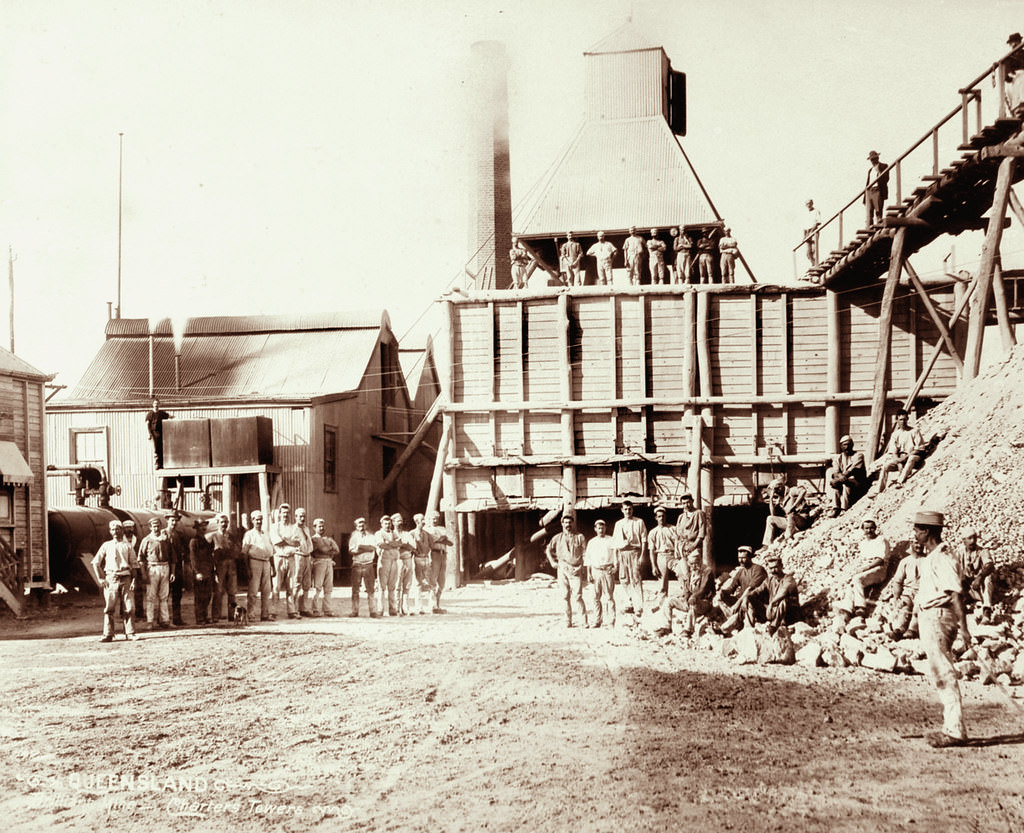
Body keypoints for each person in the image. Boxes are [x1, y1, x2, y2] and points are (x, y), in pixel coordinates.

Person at [912, 509, 971, 748]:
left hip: (939, 617)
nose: (914, 534)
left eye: (917, 530)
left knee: (944, 673)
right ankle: (952, 727)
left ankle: (955, 731)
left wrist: (965, 629)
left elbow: (956, 594)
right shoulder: (931, 557)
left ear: (926, 531)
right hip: (930, 616)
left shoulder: (943, 557)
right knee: (939, 673)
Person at [93, 520, 141, 642]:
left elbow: (134, 565)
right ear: (110, 531)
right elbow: (95, 562)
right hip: (111, 579)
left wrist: (134, 580)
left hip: (126, 578)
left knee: (129, 607)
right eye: (113, 529)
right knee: (110, 607)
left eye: (117, 529)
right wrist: (101, 578)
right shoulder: (106, 545)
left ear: (122, 530)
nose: (115, 531)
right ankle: (108, 634)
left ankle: (130, 633)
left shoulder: (127, 546)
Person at [838, 517, 891, 620]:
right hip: (867, 568)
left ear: (875, 528)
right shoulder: (863, 544)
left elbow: (880, 560)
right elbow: (862, 561)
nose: (869, 531)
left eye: (871, 528)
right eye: (866, 528)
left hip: (879, 569)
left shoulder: (881, 540)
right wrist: (858, 570)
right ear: (862, 529)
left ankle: (861, 607)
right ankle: (848, 609)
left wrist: (865, 568)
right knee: (852, 583)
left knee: (857, 579)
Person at [661, 547, 715, 638]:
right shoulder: (691, 572)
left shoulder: (707, 571)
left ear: (700, 561)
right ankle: (667, 627)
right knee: (668, 601)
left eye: (696, 564)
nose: (693, 566)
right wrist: (685, 596)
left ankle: (688, 629)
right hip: (690, 602)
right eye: (691, 564)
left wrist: (694, 596)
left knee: (693, 603)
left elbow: (703, 589)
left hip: (704, 603)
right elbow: (687, 588)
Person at [546, 514, 588, 628]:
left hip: (576, 569)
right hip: (562, 568)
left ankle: (583, 621)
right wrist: (552, 562)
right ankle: (567, 621)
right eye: (566, 522)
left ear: (572, 524)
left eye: (570, 522)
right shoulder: (557, 538)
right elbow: (548, 549)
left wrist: (581, 567)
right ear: (562, 524)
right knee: (565, 596)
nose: (568, 525)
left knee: (578, 596)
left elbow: (585, 554)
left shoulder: (580, 537)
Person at [715, 545, 768, 634]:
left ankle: (743, 628)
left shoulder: (758, 569)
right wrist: (722, 592)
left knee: (748, 599)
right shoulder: (741, 572)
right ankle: (736, 620)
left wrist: (737, 603)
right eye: (739, 558)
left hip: (759, 605)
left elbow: (750, 589)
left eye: (743, 558)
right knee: (721, 596)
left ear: (750, 557)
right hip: (743, 603)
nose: (741, 560)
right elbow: (731, 588)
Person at [878, 541, 924, 639]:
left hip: (923, 591)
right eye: (916, 543)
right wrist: (896, 597)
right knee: (904, 608)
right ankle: (899, 629)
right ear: (911, 544)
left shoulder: (928, 560)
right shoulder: (905, 561)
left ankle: (913, 629)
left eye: (921, 543)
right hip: (908, 592)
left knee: (917, 608)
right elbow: (898, 581)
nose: (919, 545)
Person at [611, 500, 647, 624]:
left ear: (633, 509)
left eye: (630, 509)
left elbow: (644, 540)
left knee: (635, 579)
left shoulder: (639, 522)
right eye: (625, 509)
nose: (628, 511)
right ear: (622, 510)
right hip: (622, 553)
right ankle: (629, 602)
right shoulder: (618, 524)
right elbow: (615, 543)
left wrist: (642, 556)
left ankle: (639, 607)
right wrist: (616, 559)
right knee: (624, 579)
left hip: (634, 552)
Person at [875, 410, 923, 494]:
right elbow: (893, 452)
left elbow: (919, 448)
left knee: (911, 458)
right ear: (896, 420)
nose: (903, 422)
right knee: (886, 466)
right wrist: (899, 463)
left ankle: (900, 481)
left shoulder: (914, 431)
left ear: (907, 419)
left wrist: (906, 457)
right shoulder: (895, 434)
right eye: (900, 419)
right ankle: (879, 490)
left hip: (913, 457)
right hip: (901, 459)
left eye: (904, 419)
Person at [139, 517, 173, 629]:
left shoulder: (166, 539)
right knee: (151, 596)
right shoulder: (146, 540)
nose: (156, 528)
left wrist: (172, 572)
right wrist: (144, 573)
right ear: (150, 527)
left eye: (158, 525)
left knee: (164, 596)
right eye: (154, 526)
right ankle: (150, 621)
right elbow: (141, 559)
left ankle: (165, 620)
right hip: (152, 568)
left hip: (165, 567)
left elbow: (173, 558)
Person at [242, 509, 276, 621]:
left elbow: (271, 551)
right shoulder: (249, 534)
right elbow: (245, 553)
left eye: (261, 520)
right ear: (252, 520)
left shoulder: (266, 533)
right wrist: (247, 569)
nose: (259, 522)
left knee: (267, 590)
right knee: (253, 590)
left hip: (266, 562)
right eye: (257, 520)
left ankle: (265, 614)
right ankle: (251, 614)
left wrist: (273, 567)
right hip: (254, 562)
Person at [270, 503, 302, 619]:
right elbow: (277, 542)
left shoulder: (294, 527)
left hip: (291, 558)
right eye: (283, 513)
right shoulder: (274, 527)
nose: (285, 515)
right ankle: (273, 612)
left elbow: (298, 543)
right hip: (278, 558)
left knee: (291, 586)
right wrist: (289, 541)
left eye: (287, 513)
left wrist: (285, 540)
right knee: (276, 586)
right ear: (279, 514)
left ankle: (291, 611)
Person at [957, 525, 994, 622]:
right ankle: (961, 607)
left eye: (974, 537)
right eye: (969, 538)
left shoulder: (983, 551)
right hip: (968, 589)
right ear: (964, 541)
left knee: (988, 578)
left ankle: (987, 610)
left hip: (979, 588)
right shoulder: (960, 553)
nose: (973, 541)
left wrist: (980, 577)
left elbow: (989, 565)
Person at [585, 519, 617, 628]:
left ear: (605, 528)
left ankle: (611, 621)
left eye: (602, 528)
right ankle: (597, 620)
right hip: (596, 571)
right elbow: (588, 558)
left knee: (609, 597)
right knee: (595, 597)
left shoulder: (611, 540)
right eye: (598, 528)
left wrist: (615, 567)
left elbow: (616, 555)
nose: (601, 530)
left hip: (607, 570)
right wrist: (588, 573)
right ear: (595, 529)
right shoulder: (592, 542)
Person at [348, 516, 380, 618]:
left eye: (363, 523)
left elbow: (373, 548)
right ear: (356, 526)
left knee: (370, 589)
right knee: (355, 589)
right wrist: (365, 548)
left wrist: (361, 547)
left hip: (368, 564)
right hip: (357, 565)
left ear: (366, 525)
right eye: (359, 524)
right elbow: (351, 551)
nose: (361, 525)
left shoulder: (371, 536)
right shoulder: (354, 537)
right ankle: (355, 611)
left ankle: (373, 611)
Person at [762, 477, 810, 545]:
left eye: (776, 489)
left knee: (791, 515)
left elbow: (803, 491)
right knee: (770, 518)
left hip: (801, 520)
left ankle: (787, 538)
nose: (776, 492)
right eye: (774, 491)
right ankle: (767, 544)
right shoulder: (780, 498)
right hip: (790, 523)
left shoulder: (791, 491)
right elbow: (773, 514)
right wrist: (771, 499)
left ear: (781, 487)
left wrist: (794, 506)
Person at [209, 513, 239, 622]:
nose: (224, 524)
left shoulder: (231, 536)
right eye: (221, 522)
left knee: (232, 591)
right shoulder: (213, 536)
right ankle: (216, 616)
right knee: (218, 591)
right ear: (217, 523)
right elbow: (210, 553)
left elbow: (237, 550)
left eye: (226, 522)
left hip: (231, 565)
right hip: (219, 565)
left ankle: (232, 615)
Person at [828, 434, 868, 516]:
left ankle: (844, 508)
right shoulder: (838, 458)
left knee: (845, 484)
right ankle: (836, 508)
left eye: (849, 444)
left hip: (858, 483)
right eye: (844, 445)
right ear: (841, 446)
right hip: (844, 480)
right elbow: (835, 472)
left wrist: (840, 478)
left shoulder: (858, 455)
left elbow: (852, 470)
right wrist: (839, 478)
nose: (847, 447)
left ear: (852, 445)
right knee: (836, 486)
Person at [648, 506, 678, 612]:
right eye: (659, 516)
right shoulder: (653, 532)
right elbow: (651, 550)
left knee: (683, 575)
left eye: (663, 516)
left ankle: (684, 600)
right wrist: (653, 566)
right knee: (662, 582)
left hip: (673, 555)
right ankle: (661, 605)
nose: (661, 518)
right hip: (660, 556)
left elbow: (679, 544)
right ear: (656, 518)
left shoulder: (673, 529)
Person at [764, 553, 800, 635]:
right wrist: (748, 596)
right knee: (750, 599)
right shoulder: (769, 580)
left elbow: (783, 592)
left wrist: (771, 603)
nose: (773, 570)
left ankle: (774, 626)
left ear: (781, 566)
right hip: (775, 611)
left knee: (782, 600)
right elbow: (758, 591)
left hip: (790, 613)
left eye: (776, 567)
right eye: (771, 568)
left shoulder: (789, 579)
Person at [309, 518, 339, 617]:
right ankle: (315, 609)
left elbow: (336, 550)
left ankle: (327, 609)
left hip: (329, 562)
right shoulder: (313, 539)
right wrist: (328, 549)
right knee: (317, 587)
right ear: (314, 527)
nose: (321, 528)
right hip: (319, 563)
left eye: (323, 526)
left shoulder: (328, 539)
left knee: (328, 587)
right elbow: (320, 550)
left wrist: (326, 550)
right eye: (319, 526)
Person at [189, 518, 216, 625]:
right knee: (199, 596)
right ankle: (199, 618)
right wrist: (197, 572)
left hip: (208, 571)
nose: (203, 528)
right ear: (197, 528)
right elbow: (193, 558)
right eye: (201, 526)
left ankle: (205, 616)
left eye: (205, 526)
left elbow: (210, 555)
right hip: (199, 572)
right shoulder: (194, 541)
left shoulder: (206, 540)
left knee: (207, 595)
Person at [425, 511, 453, 613]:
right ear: (429, 519)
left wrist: (440, 539)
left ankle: (437, 604)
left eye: (437, 518)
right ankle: (432, 605)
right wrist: (441, 539)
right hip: (434, 554)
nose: (435, 520)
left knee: (442, 582)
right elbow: (431, 542)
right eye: (433, 518)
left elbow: (450, 542)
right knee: (433, 579)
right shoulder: (427, 530)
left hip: (443, 554)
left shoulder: (442, 529)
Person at [375, 514, 403, 616]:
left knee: (392, 586)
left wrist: (388, 543)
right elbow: (381, 544)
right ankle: (380, 609)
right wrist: (392, 544)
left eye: (389, 523)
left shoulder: (394, 533)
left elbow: (400, 543)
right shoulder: (379, 533)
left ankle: (392, 609)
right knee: (382, 586)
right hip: (384, 561)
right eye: (385, 523)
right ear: (381, 524)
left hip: (394, 561)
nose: (387, 525)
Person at [165, 513, 189, 626]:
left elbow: (184, 551)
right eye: (172, 521)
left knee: (177, 594)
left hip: (178, 567)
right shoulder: (163, 534)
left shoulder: (180, 535)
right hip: (165, 566)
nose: (174, 523)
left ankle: (176, 618)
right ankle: (164, 619)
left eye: (175, 521)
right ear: (167, 521)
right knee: (164, 594)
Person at [291, 508, 315, 616]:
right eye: (300, 516)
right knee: (297, 582)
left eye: (304, 516)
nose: (302, 518)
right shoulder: (293, 529)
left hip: (307, 557)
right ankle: (294, 609)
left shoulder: (307, 529)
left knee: (307, 584)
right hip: (298, 557)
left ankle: (303, 608)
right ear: (295, 517)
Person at [410, 513, 434, 615]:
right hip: (417, 559)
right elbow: (410, 547)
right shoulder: (411, 534)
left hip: (426, 559)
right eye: (422, 520)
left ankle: (431, 606)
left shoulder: (427, 534)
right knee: (418, 583)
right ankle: (419, 607)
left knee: (430, 583)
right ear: (417, 522)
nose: (424, 522)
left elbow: (431, 545)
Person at [393, 513, 415, 615]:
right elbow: (393, 547)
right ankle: (397, 608)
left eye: (401, 521)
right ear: (393, 523)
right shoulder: (391, 534)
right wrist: (403, 545)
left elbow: (412, 547)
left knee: (407, 585)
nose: (400, 523)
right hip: (397, 560)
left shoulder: (407, 534)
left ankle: (405, 608)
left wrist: (402, 545)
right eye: (398, 521)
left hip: (407, 559)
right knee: (397, 585)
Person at [145, 399, 172, 469]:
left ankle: (162, 464)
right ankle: (157, 463)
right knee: (156, 449)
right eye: (155, 404)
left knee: (162, 448)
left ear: (159, 405)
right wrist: (149, 434)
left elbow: (169, 416)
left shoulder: (161, 413)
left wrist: (175, 417)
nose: (156, 405)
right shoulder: (150, 414)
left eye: (157, 404)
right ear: (153, 405)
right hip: (154, 433)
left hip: (161, 433)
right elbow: (147, 424)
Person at [865, 150, 889, 226]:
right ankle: (869, 227)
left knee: (878, 210)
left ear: (877, 158)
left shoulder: (883, 166)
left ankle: (879, 223)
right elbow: (867, 183)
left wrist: (878, 171)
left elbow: (886, 178)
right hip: (869, 191)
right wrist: (865, 196)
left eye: (874, 159)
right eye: (871, 159)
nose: (873, 161)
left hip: (877, 189)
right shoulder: (870, 170)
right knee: (869, 211)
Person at [803, 199, 822, 266]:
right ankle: (813, 264)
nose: (808, 205)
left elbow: (817, 223)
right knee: (808, 253)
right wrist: (804, 236)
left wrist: (811, 232)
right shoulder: (805, 214)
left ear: (812, 203)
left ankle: (816, 264)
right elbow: (804, 226)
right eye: (807, 204)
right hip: (808, 233)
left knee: (814, 250)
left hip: (814, 232)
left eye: (809, 203)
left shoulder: (816, 211)